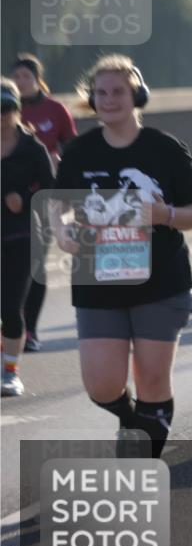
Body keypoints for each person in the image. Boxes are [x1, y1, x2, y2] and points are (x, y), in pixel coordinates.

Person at [50, 55, 192, 455]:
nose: (108, 100)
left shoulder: (166, 149)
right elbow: (59, 204)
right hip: (97, 282)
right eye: (100, 93)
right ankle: (128, 416)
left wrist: (166, 214)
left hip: (161, 281)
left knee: (153, 381)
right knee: (101, 386)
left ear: (137, 94)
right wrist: (62, 230)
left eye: (118, 91)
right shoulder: (79, 152)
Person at [10, 53, 77, 352]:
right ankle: (11, 323)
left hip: (44, 199)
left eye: (26, 76)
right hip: (8, 203)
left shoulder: (55, 110)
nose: (21, 82)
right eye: (17, 77)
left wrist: (59, 164)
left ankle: (30, 330)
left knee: (34, 263)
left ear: (38, 80)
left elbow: (72, 149)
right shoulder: (6, 109)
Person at [1, 80, 55, 396]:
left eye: (6, 108)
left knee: (10, 306)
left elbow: (49, 190)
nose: (0, 115)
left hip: (23, 235)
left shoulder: (32, 148)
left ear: (17, 110)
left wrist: (23, 196)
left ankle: (10, 373)